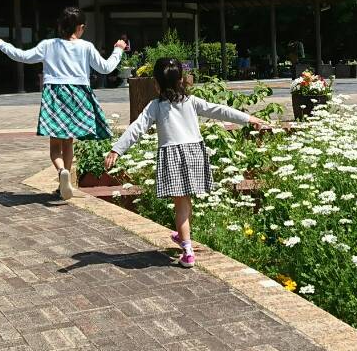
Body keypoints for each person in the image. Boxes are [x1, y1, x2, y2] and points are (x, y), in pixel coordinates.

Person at [103, 57, 271, 268]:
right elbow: (219, 110)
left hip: (172, 155)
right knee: (186, 202)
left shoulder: (155, 106)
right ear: (182, 80)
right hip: (194, 153)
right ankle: (183, 238)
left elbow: (137, 127)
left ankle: (187, 251)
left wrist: (116, 149)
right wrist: (248, 119)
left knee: (181, 206)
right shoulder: (191, 102)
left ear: (156, 83)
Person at [0, 7, 126, 199]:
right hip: (78, 95)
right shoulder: (85, 46)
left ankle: (62, 171)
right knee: (68, 141)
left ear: (60, 26)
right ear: (80, 27)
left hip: (55, 96)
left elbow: (23, 56)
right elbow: (105, 68)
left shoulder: (48, 45)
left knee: (55, 145)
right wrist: (118, 50)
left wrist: (2, 44)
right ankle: (67, 182)